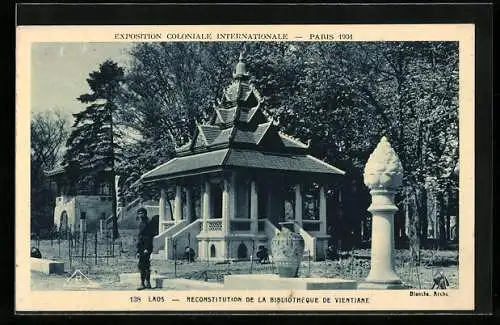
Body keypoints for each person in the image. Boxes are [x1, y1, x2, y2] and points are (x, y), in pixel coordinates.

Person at [136, 207, 153, 290]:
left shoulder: (149, 223)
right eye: (139, 213)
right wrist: (138, 250)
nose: (140, 215)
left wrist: (146, 248)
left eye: (142, 213)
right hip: (141, 247)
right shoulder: (140, 223)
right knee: (141, 265)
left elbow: (149, 236)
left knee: (146, 265)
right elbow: (139, 238)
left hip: (147, 246)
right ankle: (142, 283)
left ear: (145, 214)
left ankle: (147, 282)